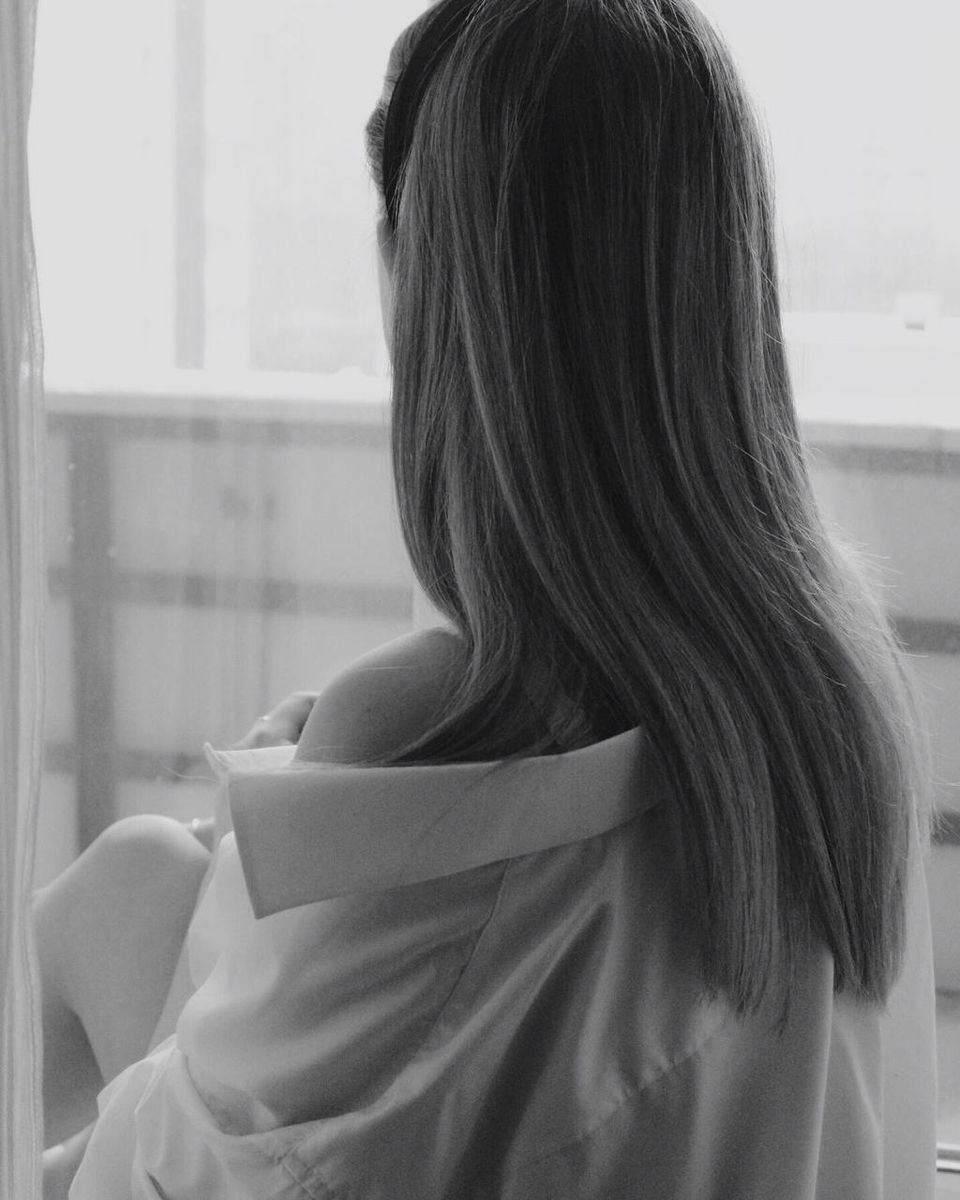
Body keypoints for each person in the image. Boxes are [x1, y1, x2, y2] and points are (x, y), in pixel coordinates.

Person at [40, 0, 938, 1195]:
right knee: (155, 879)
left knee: (124, 883)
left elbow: (201, 1175)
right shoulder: (837, 688)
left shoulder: (424, 716)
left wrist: (317, 820)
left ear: (433, 300)